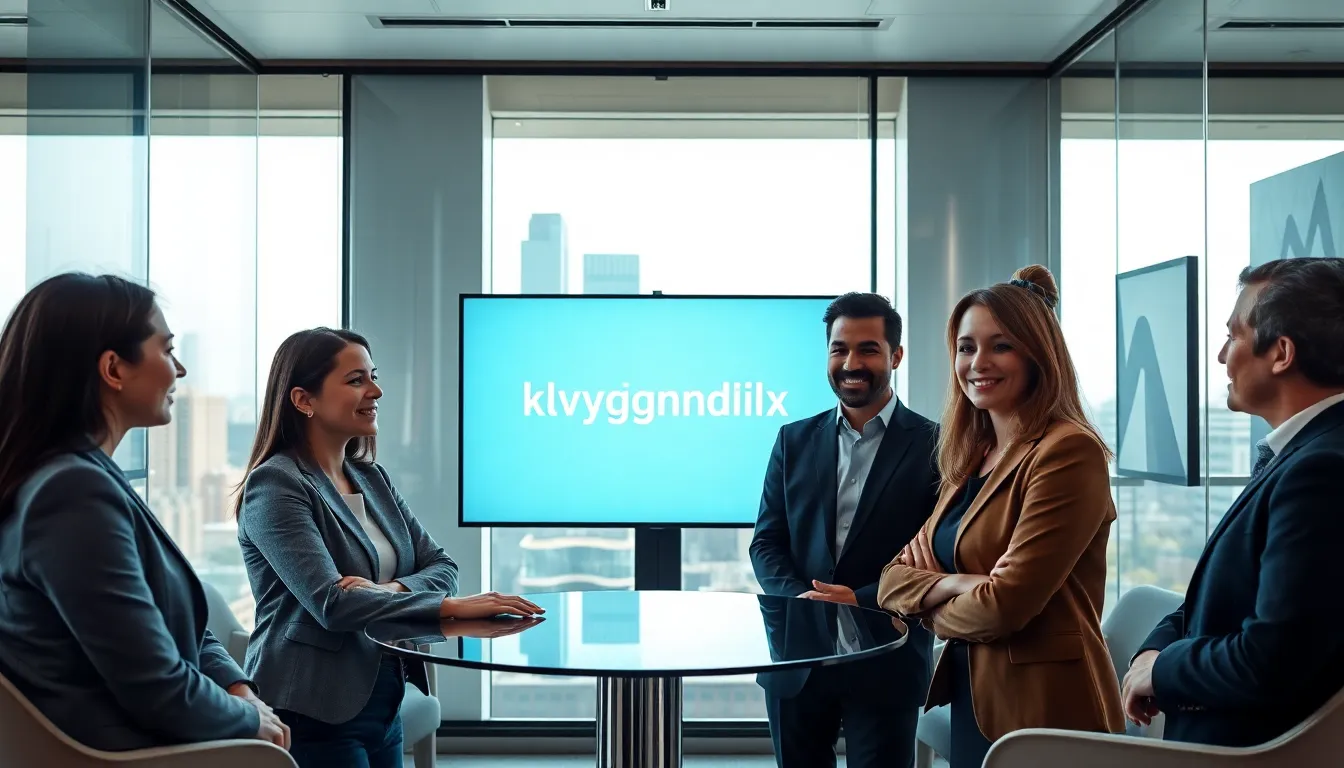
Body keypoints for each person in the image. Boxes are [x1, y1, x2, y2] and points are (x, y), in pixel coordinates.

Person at [0, 273, 289, 752]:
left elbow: (179, 626)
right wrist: (248, 718)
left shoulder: (80, 477)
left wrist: (239, 688)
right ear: (113, 369)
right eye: (166, 349)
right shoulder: (71, 493)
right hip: (136, 757)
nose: (180, 369)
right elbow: (156, 686)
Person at [237, 327, 542, 767]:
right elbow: (332, 605)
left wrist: (389, 590)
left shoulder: (371, 479)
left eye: (373, 376)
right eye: (356, 380)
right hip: (312, 707)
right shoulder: (275, 484)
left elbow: (442, 564)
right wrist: (450, 608)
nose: (376, 391)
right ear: (303, 400)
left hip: (383, 698)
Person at [878, 265, 1124, 768]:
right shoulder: (973, 454)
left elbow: (1004, 607)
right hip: (977, 693)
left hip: (1043, 707)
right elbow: (890, 582)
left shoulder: (1068, 451)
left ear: (1037, 354)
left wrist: (934, 598)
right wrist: (961, 584)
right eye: (966, 347)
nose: (978, 362)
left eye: (1001, 346)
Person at [1123, 257, 1344, 747]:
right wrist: (1151, 654)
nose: (1222, 355)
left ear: (1281, 353)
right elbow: (1212, 602)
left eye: (1234, 335)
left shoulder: (1322, 470)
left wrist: (1162, 672)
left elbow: (1272, 658)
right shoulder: (1301, 454)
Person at [750, 292, 940, 768]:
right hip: (797, 657)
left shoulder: (938, 445)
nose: (851, 363)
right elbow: (767, 543)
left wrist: (859, 599)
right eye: (839, 349)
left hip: (888, 656)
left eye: (868, 349)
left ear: (895, 355)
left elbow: (941, 554)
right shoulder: (793, 440)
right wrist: (805, 599)